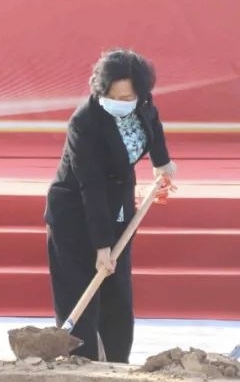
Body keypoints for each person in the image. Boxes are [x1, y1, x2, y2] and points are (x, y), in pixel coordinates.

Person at [44, 48, 177, 362]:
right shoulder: (84, 123)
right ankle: (81, 366)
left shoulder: (143, 106)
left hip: (118, 210)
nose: (120, 102)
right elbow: (90, 186)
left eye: (127, 97)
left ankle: (117, 366)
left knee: (118, 296)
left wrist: (162, 163)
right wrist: (102, 245)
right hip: (76, 215)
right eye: (112, 96)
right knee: (80, 296)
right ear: (99, 91)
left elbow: (154, 126)